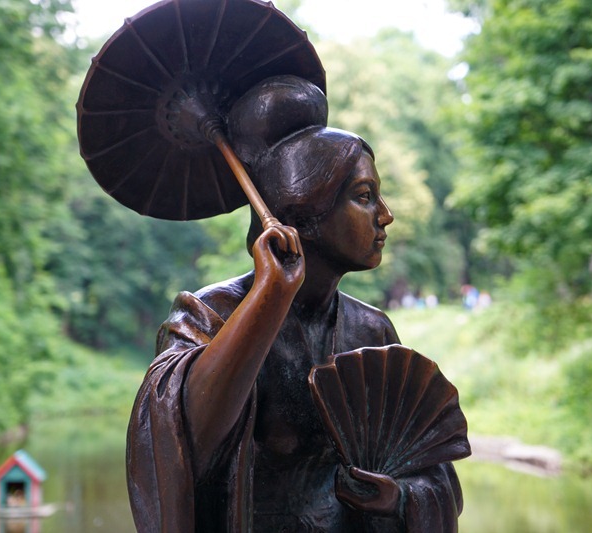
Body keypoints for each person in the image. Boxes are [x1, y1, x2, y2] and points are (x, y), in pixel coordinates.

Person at [126, 77, 464, 532]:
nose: (385, 215)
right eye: (364, 197)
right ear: (305, 214)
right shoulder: (209, 313)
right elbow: (182, 440)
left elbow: (430, 470)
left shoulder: (372, 330)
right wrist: (269, 297)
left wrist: (400, 497)